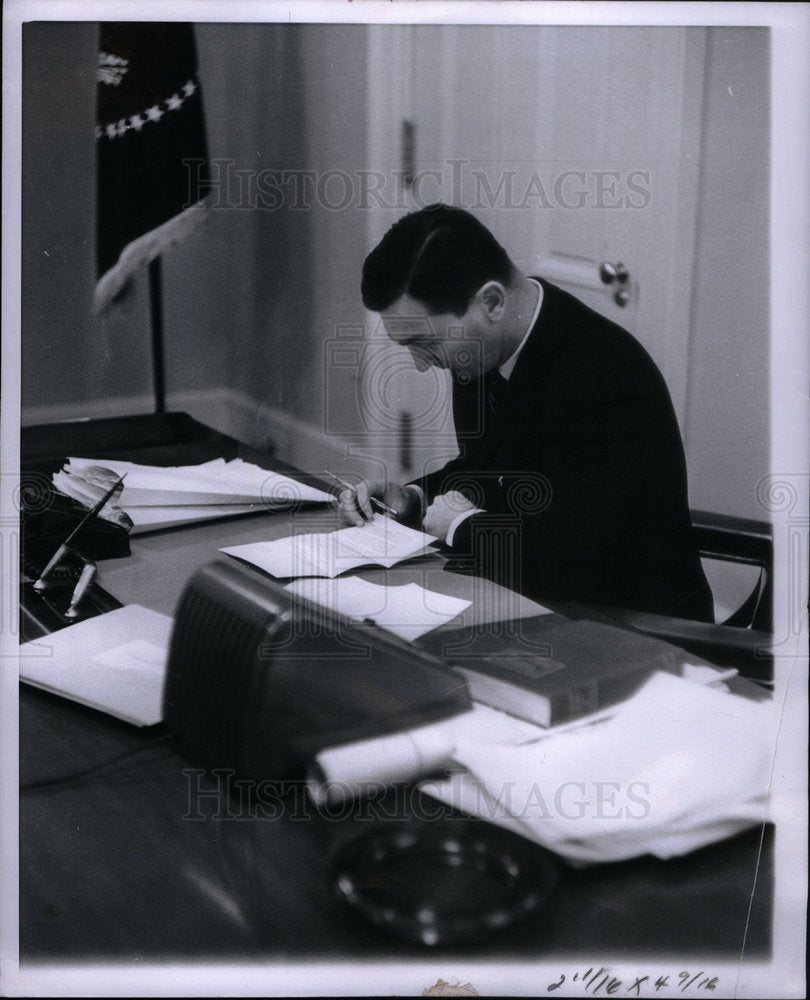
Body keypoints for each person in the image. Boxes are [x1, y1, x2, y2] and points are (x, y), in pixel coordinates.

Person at [340, 204, 714, 622]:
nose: (421, 364)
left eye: (425, 343)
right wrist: (412, 498)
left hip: (632, 626)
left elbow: (576, 559)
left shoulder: (605, 373)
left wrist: (462, 526)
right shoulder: (483, 349)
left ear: (492, 301)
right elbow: (490, 470)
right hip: (534, 601)